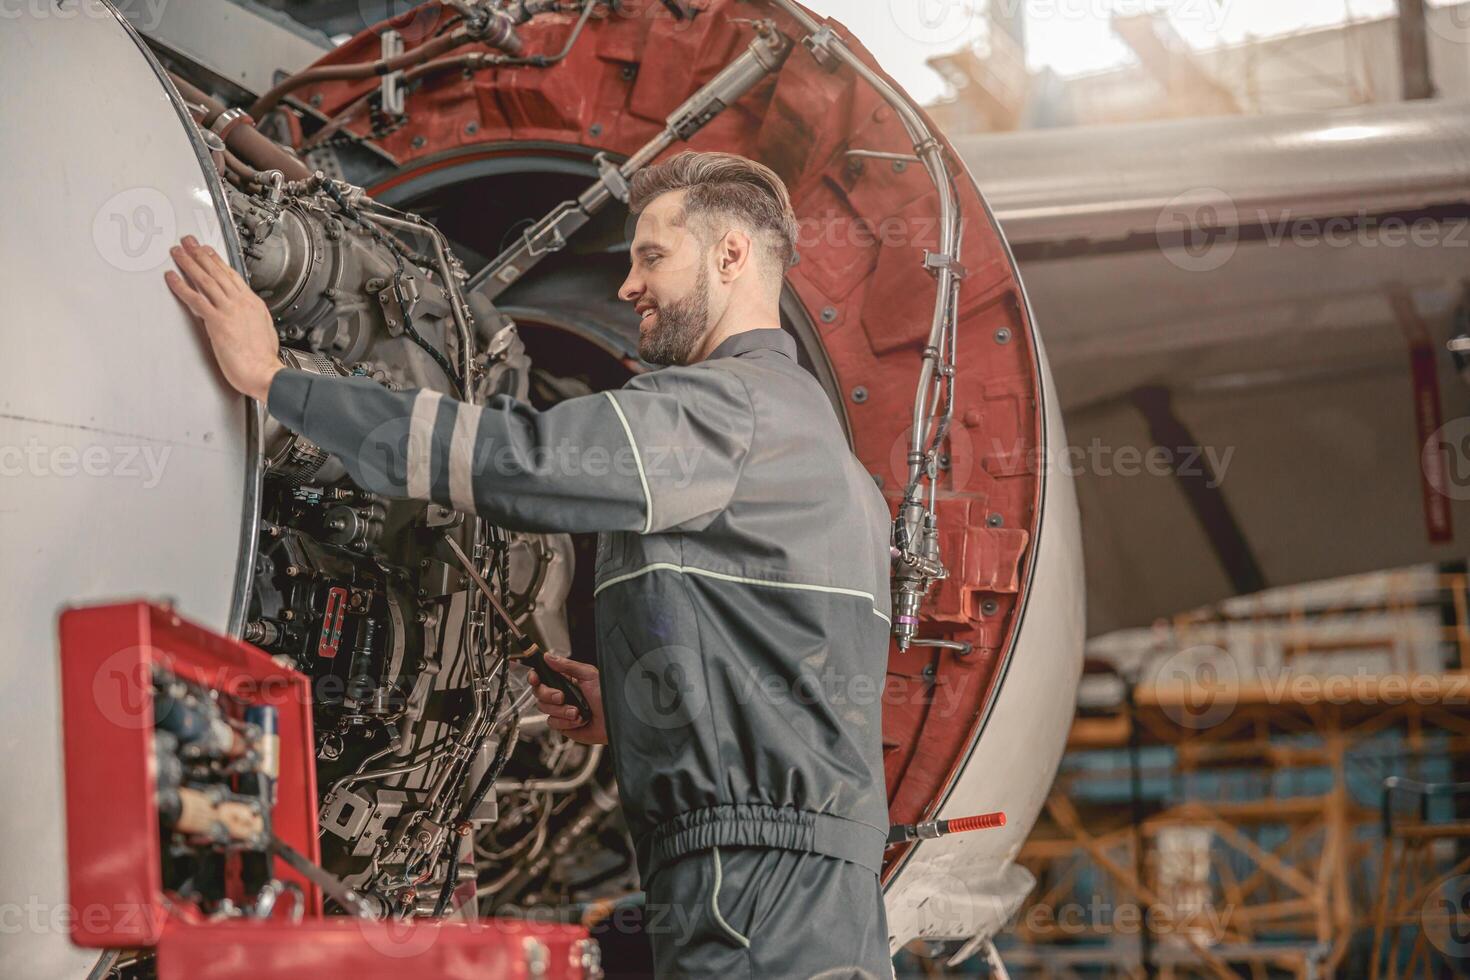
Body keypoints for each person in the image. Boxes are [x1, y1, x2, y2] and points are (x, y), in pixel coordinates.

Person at [167, 150, 895, 978]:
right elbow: (792, 669)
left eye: (652, 257)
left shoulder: (724, 414)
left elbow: (520, 462)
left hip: (746, 885)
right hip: (821, 888)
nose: (628, 286)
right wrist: (632, 709)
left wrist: (279, 381)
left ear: (731, 256)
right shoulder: (835, 465)